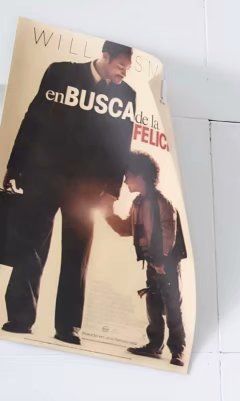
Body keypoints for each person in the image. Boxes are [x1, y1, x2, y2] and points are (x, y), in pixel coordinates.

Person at [2, 40, 137, 344]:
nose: (123, 74)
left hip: (88, 190)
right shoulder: (59, 72)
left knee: (77, 256)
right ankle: (19, 319)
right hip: (42, 177)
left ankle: (68, 327)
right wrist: (14, 165)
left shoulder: (127, 95)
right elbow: (32, 118)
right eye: (120, 66)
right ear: (105, 57)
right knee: (31, 247)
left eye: (127, 69)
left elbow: (122, 146)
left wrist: (112, 190)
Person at [101, 151, 187, 365]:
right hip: (152, 263)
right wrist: (108, 214)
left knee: (172, 305)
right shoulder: (138, 203)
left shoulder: (162, 202)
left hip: (165, 264)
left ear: (140, 176)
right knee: (153, 303)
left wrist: (160, 261)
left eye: (128, 176)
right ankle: (154, 345)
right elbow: (126, 229)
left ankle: (177, 350)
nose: (125, 181)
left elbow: (169, 233)